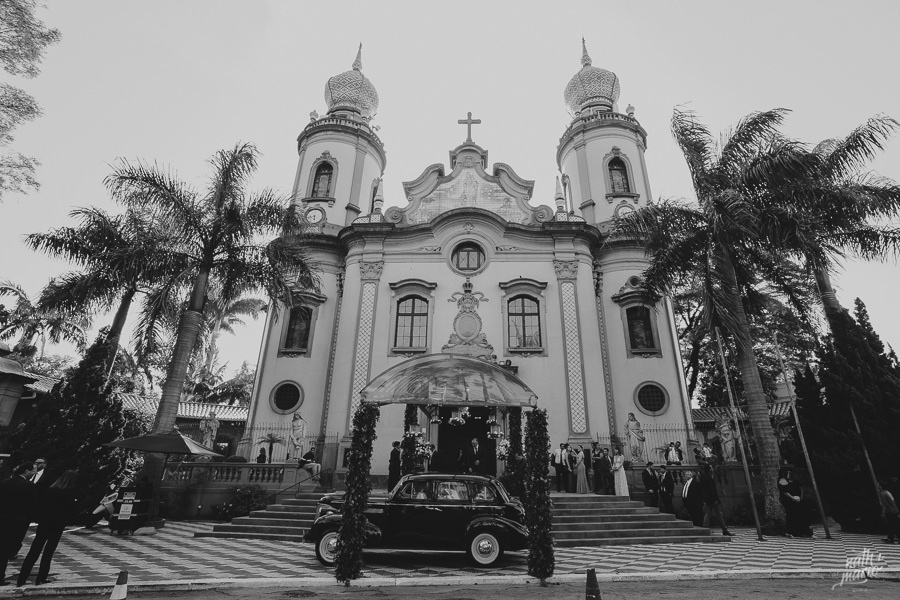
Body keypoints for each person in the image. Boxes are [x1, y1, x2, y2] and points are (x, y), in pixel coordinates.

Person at [18, 469, 79, 587]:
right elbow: (72, 511)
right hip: (58, 524)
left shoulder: (51, 490)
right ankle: (41, 577)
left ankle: (22, 577)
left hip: (45, 523)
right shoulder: (69, 493)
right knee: (48, 552)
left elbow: (41, 506)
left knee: (34, 550)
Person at [0, 462, 37, 585]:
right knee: (7, 549)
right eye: (33, 471)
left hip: (3, 518)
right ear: (26, 471)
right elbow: (32, 505)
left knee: (2, 549)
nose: (34, 474)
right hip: (18, 521)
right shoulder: (28, 485)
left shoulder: (5, 483)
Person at [699, 466, 732, 537]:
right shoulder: (709, 478)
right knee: (717, 515)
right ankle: (724, 530)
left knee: (709, 514)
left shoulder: (703, 477)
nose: (712, 468)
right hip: (712, 500)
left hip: (707, 499)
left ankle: (706, 529)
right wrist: (715, 499)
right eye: (711, 468)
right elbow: (712, 490)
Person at [778, 468, 812, 538]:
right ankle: (792, 532)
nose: (789, 474)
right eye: (787, 473)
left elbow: (800, 488)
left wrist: (800, 498)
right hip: (788, 500)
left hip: (798, 499)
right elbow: (785, 492)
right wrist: (793, 498)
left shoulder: (795, 481)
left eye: (790, 473)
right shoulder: (782, 480)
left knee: (800, 513)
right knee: (792, 514)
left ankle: (801, 531)